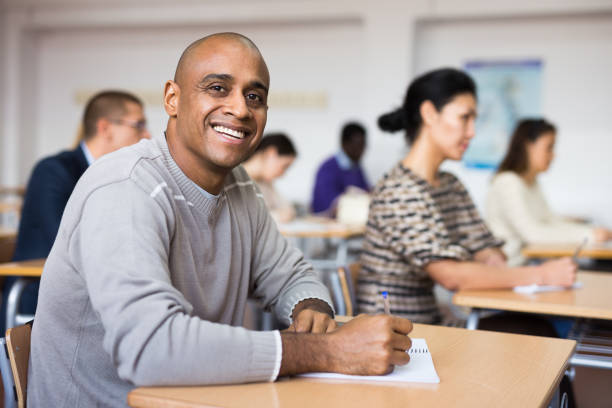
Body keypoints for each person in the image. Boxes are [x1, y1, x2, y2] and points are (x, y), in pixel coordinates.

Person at [28, 33, 413, 407]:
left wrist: (309, 306)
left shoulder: (239, 187)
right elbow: (150, 349)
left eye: (255, 96)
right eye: (217, 88)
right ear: (172, 99)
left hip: (203, 398)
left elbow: (292, 275)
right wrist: (325, 350)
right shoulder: (125, 187)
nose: (241, 109)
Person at [357, 68, 576, 326]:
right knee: (532, 329)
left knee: (533, 326)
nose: (472, 132)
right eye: (465, 118)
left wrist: (491, 259)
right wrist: (542, 275)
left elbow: (486, 247)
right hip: (399, 336)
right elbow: (451, 276)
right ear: (429, 114)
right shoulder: (400, 190)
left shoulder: (450, 185)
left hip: (436, 322)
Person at [0, 90, 150, 333]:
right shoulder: (53, 171)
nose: (147, 134)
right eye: (139, 125)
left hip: (93, 291)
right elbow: (66, 242)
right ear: (106, 128)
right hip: (41, 296)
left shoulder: (119, 175)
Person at [486, 118, 612, 266]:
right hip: (512, 267)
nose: (553, 155)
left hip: (529, 264)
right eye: (549, 148)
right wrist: (589, 235)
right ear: (529, 146)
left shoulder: (531, 182)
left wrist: (591, 231)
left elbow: (550, 220)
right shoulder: (508, 182)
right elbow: (533, 234)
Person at [311, 122, 370, 214]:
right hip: (327, 224)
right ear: (344, 144)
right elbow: (328, 205)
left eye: (363, 145)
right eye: (358, 145)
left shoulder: (356, 167)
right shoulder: (328, 168)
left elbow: (365, 193)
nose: (362, 150)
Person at [242, 132, 297, 223]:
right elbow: (247, 218)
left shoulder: (265, 183)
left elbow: (289, 211)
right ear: (271, 153)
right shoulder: (233, 179)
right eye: (284, 166)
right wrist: (278, 215)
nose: (283, 174)